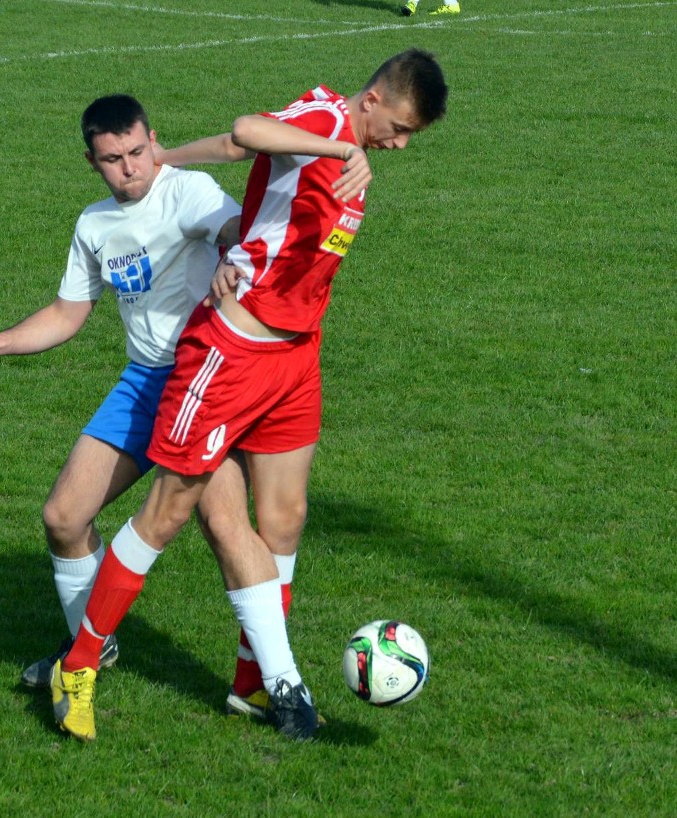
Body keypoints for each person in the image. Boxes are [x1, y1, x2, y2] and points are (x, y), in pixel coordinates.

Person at [53, 48, 448, 743]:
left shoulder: (349, 140)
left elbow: (237, 156)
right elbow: (248, 129)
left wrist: (170, 154)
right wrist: (338, 146)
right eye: (401, 126)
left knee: (285, 517)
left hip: (298, 353)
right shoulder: (328, 118)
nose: (402, 143)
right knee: (168, 512)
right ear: (375, 98)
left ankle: (252, 685)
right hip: (233, 351)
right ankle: (78, 664)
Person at [0, 93, 252, 687]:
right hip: (143, 382)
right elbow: (67, 314)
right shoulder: (93, 225)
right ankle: (93, 646)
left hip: (203, 381)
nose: (131, 167)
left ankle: (268, 678)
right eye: (113, 158)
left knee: (226, 530)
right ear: (92, 161)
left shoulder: (184, 191)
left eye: (138, 151)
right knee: (63, 517)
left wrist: (234, 253)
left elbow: (243, 229)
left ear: (152, 139)